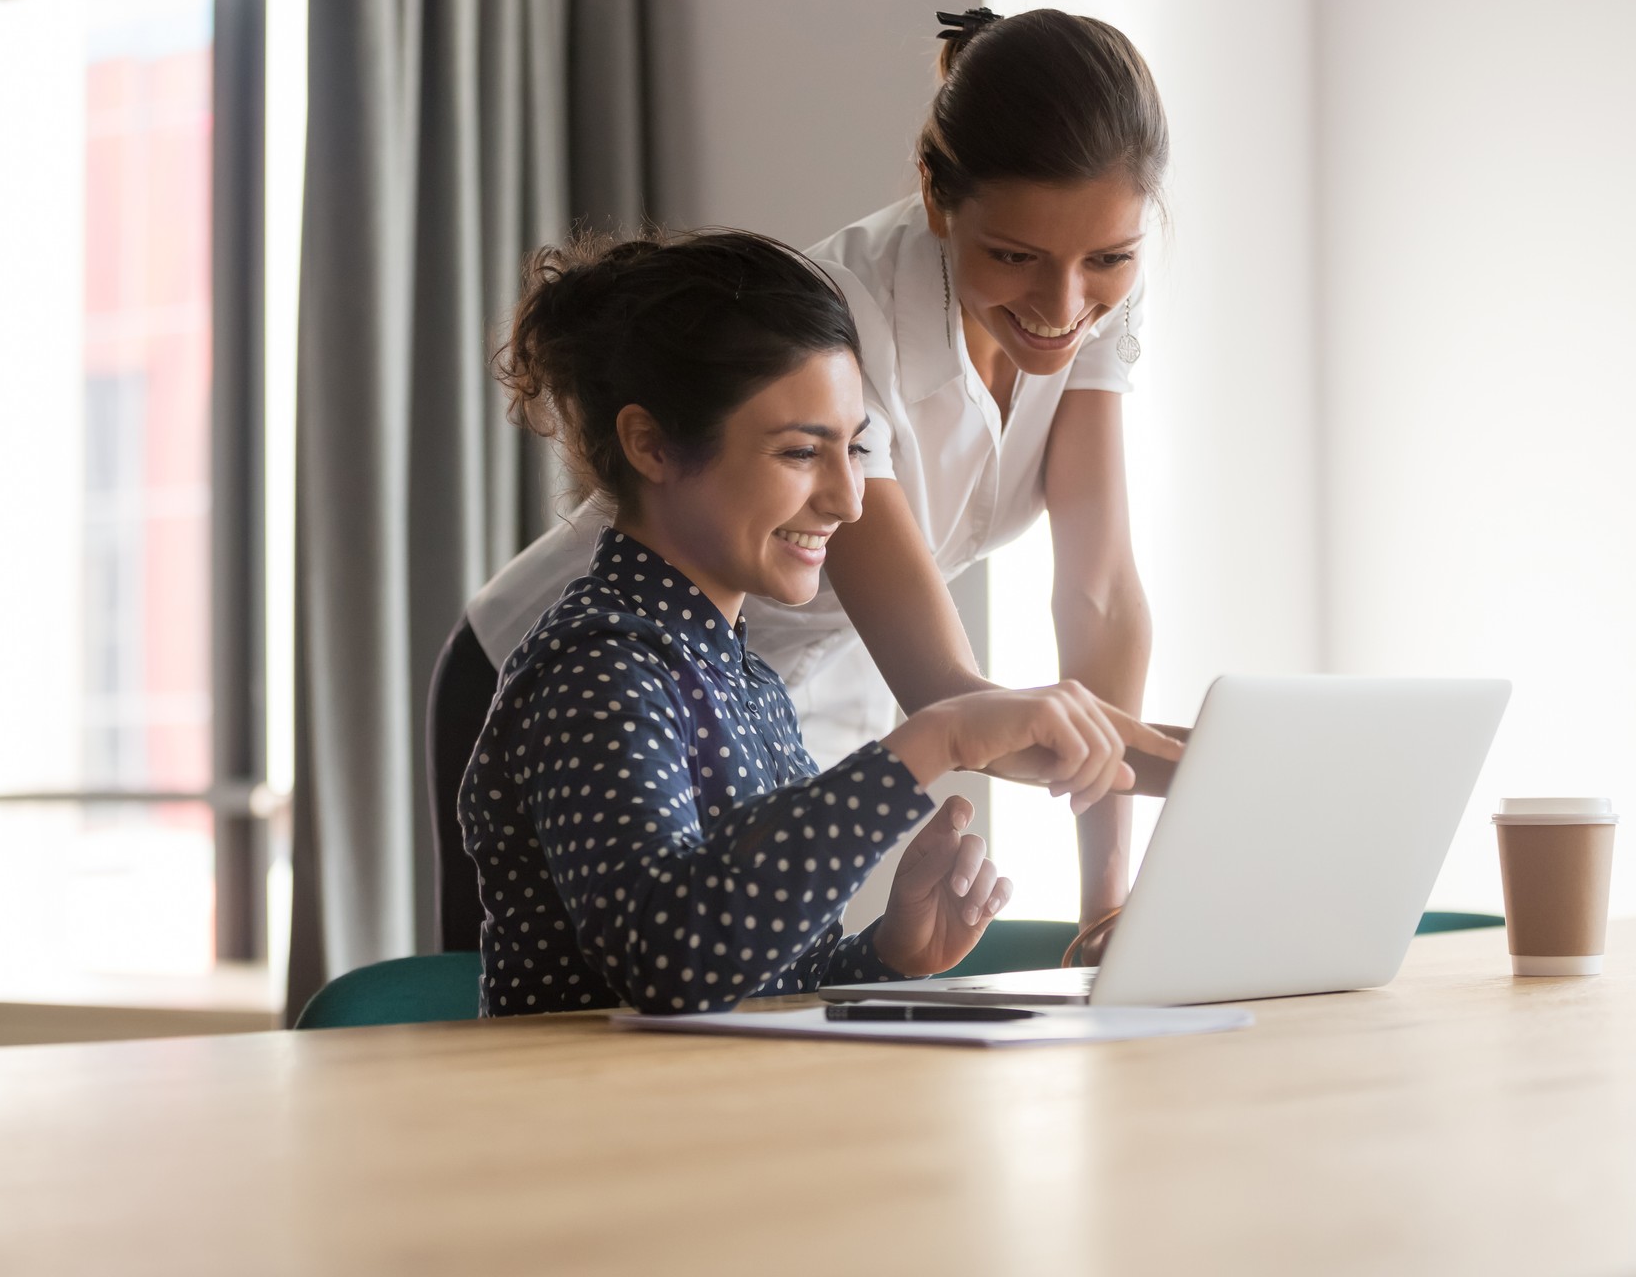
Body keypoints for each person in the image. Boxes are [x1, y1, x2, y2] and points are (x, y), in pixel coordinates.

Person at [454, 8, 1168, 945]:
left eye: (1108, 260)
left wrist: (1107, 903)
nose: (1064, 305)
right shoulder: (838, 323)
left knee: (763, 992)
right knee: (587, 1010)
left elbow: (1100, 595)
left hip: (763, 690)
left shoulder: (1083, 289)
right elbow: (946, 693)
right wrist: (1220, 767)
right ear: (936, 194)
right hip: (603, 671)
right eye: (1015, 258)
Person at [460, 229, 1177, 1015]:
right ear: (650, 445)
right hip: (592, 1125)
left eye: (855, 449)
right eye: (802, 453)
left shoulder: (748, 680)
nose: (850, 498)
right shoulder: (598, 668)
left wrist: (888, 953)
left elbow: (759, 981)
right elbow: (667, 962)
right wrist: (932, 739)